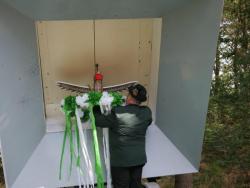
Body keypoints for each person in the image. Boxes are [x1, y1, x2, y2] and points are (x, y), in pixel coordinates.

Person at [93, 84, 152, 188]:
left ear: (129, 97)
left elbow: (98, 121)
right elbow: (148, 121)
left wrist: (96, 106)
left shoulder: (118, 112)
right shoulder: (147, 113)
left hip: (121, 162)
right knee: (135, 186)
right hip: (138, 159)